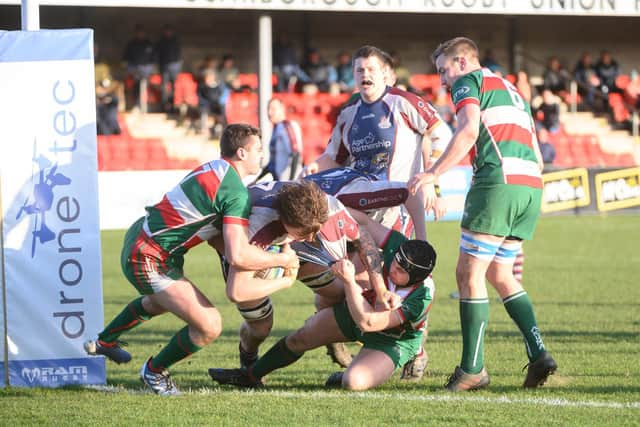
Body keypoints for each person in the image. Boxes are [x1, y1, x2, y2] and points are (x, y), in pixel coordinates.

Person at [84, 124, 299, 396]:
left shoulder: (215, 169)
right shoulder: (234, 191)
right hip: (149, 254)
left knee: (160, 301)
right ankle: (154, 371)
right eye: (257, 149)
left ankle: (104, 341)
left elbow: (213, 237)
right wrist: (281, 262)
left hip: (144, 239)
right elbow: (237, 253)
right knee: (209, 325)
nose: (262, 155)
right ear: (242, 153)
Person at [409, 37, 557, 391]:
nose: (442, 79)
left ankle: (472, 369)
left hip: (497, 183)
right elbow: (537, 154)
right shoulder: (510, 89)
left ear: (462, 62)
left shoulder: (467, 82)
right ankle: (538, 354)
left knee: (468, 273)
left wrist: (434, 173)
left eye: (444, 70)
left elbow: (469, 129)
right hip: (530, 186)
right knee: (501, 273)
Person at [300, 44, 452, 380]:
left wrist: (432, 181)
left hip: (399, 210)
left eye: (371, 68)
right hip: (356, 212)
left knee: (404, 283)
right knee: (336, 279)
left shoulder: (405, 103)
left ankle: (416, 349)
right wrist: (313, 167)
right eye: (358, 70)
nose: (364, 74)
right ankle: (336, 334)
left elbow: (440, 132)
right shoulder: (349, 113)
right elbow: (333, 158)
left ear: (387, 73)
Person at [208, 213, 436, 391]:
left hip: (392, 339)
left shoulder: (422, 295)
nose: (395, 267)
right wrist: (335, 211)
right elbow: (363, 223)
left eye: (403, 269)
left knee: (353, 382)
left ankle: (404, 356)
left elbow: (368, 323)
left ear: (417, 277)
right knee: (301, 337)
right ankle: (251, 375)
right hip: (358, 312)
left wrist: (349, 281)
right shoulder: (399, 245)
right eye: (396, 261)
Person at [226, 179, 400, 370]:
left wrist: (381, 288)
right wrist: (286, 277)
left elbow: (363, 237)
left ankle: (329, 334)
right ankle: (249, 358)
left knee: (340, 292)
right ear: (285, 221)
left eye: (314, 231)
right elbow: (236, 291)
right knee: (261, 328)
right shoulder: (259, 224)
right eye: (304, 233)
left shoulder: (328, 208)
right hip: (253, 254)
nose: (310, 237)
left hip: (289, 246)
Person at [256, 98, 304, 181]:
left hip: (290, 182)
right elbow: (272, 164)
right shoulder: (276, 128)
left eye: (273, 109)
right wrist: (255, 180)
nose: (269, 112)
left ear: (282, 108)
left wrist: (292, 181)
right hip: (281, 182)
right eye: (268, 109)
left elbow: (295, 154)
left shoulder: (287, 126)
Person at [122, 24, 155, 110]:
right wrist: (130, 68)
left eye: (142, 33)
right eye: (139, 33)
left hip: (146, 70)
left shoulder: (149, 44)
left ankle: (146, 106)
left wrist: (149, 68)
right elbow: (126, 59)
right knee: (136, 87)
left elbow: (153, 59)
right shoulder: (131, 44)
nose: (140, 34)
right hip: (135, 70)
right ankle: (137, 106)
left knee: (145, 87)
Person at [156, 24, 182, 112]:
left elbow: (178, 55)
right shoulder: (161, 41)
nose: (168, 33)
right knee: (164, 87)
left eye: (169, 31)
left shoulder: (175, 41)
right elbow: (158, 55)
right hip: (164, 67)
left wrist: (177, 65)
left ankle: (173, 105)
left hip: (174, 67)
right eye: (166, 31)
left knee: (174, 86)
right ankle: (164, 106)